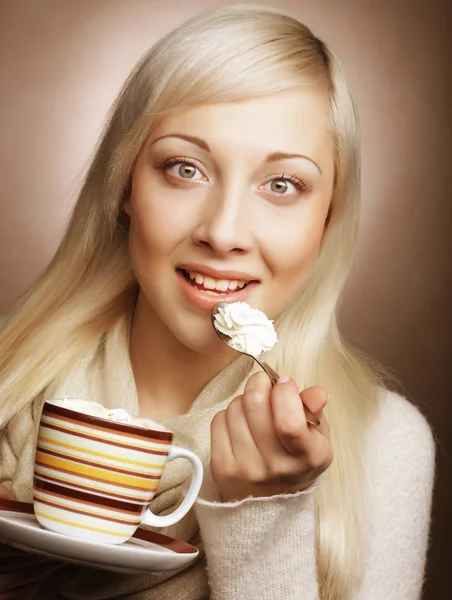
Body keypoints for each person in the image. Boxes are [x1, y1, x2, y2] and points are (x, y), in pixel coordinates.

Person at [0, 4, 435, 599]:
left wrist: (261, 519)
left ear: (328, 217)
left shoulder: (385, 446)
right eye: (185, 169)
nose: (224, 231)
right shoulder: (8, 382)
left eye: (282, 185)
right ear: (126, 184)